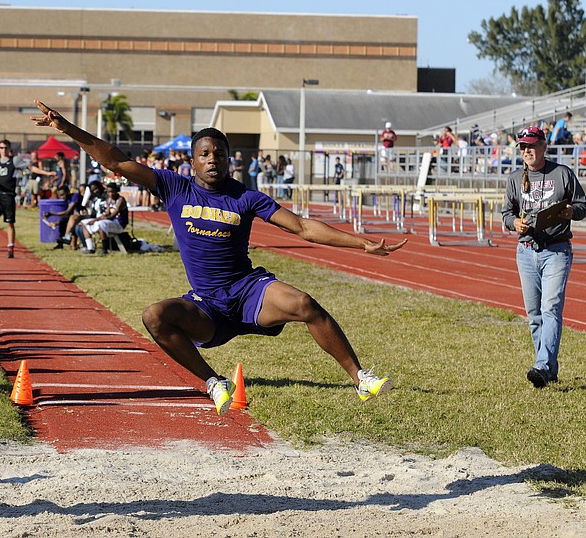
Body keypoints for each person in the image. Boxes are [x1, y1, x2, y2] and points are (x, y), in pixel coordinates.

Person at [32, 99, 404, 415]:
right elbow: (115, 161)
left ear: (230, 160)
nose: (213, 160)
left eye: (220, 154)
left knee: (305, 304)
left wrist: (361, 243)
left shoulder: (245, 196)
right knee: (155, 316)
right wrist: (68, 128)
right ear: (192, 162)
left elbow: (303, 227)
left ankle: (362, 380)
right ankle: (213, 382)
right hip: (207, 306)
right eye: (205, 154)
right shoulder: (173, 186)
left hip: (249, 292)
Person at [500, 126, 586, 389]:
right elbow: (506, 213)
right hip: (526, 251)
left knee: (551, 308)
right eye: (523, 147)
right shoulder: (515, 178)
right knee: (534, 313)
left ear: (544, 146)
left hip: (557, 250)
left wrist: (570, 211)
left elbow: (583, 206)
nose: (527, 150)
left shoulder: (562, 174)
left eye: (531, 145)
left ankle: (541, 364)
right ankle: (548, 368)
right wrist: (514, 223)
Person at [79, 181, 128, 255]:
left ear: (116, 191)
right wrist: (95, 219)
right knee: (84, 222)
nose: (111, 194)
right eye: (109, 192)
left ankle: (104, 249)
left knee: (101, 223)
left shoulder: (120, 200)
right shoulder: (109, 200)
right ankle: (90, 248)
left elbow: (111, 216)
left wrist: (96, 220)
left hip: (119, 223)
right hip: (110, 222)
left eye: (112, 192)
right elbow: (107, 214)